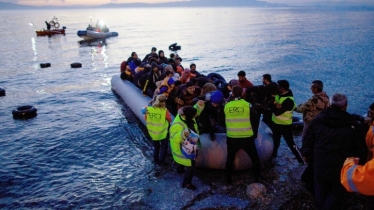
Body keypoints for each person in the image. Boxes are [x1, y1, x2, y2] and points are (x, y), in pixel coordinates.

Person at [301, 93, 363, 210]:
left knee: (320, 190)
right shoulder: (352, 124)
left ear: (329, 104)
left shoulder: (318, 120)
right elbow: (359, 147)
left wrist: (306, 154)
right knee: (337, 192)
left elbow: (307, 140)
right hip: (341, 165)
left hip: (320, 162)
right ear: (345, 106)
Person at [224, 85, 261, 184]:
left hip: (232, 137)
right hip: (246, 137)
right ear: (243, 93)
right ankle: (257, 178)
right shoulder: (247, 105)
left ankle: (228, 180)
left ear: (232, 93)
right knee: (255, 159)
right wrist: (255, 133)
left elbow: (222, 120)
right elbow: (255, 119)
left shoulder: (227, 106)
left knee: (230, 159)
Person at [169, 104, 204, 190]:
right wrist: (183, 134)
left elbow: (193, 110)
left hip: (188, 145)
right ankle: (186, 183)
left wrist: (199, 106)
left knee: (181, 164)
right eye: (194, 115)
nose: (196, 116)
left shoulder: (186, 116)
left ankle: (180, 170)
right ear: (189, 116)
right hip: (184, 150)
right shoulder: (177, 124)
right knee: (191, 166)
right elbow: (175, 138)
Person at [271, 80, 304, 164]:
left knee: (291, 144)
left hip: (285, 125)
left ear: (282, 88)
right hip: (275, 123)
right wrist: (275, 104)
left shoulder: (289, 101)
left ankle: (301, 161)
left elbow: (277, 112)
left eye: (278, 86)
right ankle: (273, 156)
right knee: (276, 141)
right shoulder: (279, 95)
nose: (276, 88)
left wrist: (274, 105)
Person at [141, 95, 172, 165]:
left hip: (153, 133)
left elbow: (146, 118)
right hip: (163, 133)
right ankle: (161, 162)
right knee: (164, 147)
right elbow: (169, 119)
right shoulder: (165, 111)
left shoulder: (148, 109)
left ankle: (155, 160)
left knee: (156, 147)